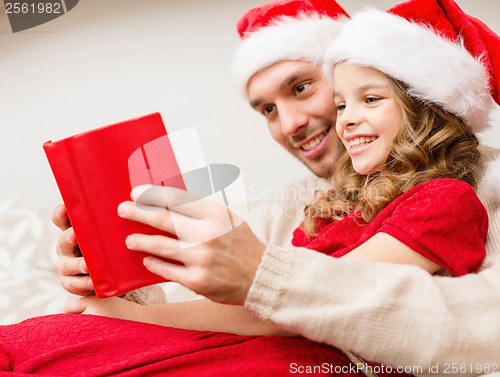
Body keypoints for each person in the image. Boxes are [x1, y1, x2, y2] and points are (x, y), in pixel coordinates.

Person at [50, 0, 500, 375]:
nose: (290, 124)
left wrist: (141, 319)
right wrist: (117, 272)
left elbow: (474, 327)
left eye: (302, 88)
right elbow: (209, 312)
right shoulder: (302, 206)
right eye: (266, 109)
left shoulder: (462, 193)